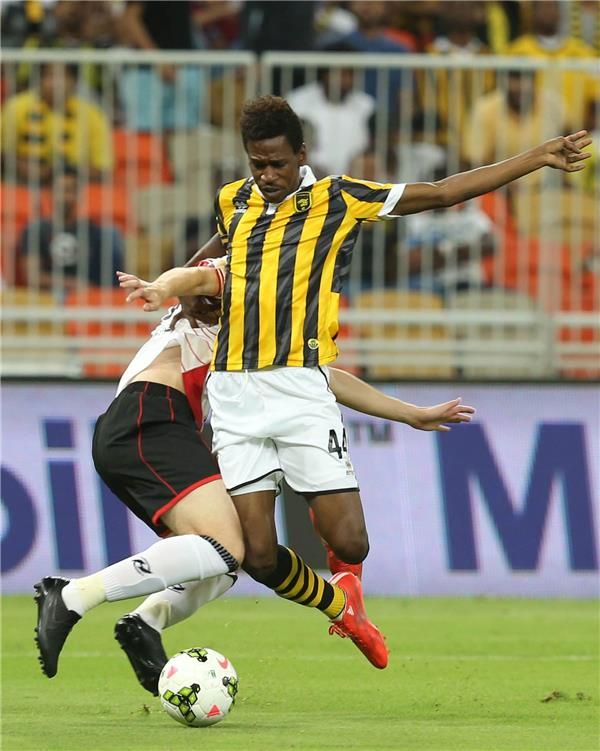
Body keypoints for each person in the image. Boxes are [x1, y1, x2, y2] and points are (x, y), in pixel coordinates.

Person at [128, 95, 591, 673]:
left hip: (302, 386)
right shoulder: (233, 200)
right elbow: (221, 248)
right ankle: (343, 612)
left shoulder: (339, 198)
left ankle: (349, 586)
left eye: (277, 163)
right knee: (258, 555)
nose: (266, 175)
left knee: (351, 542)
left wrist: (537, 157)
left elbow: (441, 193)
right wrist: (178, 289)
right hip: (233, 394)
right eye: (257, 164)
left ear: (302, 154)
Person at [35, 255, 475, 692]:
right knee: (228, 546)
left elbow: (320, 377)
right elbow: (199, 276)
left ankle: (145, 623)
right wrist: (164, 286)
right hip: (151, 418)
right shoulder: (238, 303)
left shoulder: (238, 331)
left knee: (229, 557)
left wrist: (410, 413)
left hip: (141, 428)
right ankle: (72, 596)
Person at [17, 164, 124, 294]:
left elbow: (108, 275)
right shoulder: (35, 230)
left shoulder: (93, 231)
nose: (67, 196)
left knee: (111, 233)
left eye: (71, 190)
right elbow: (33, 277)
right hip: (52, 294)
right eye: (62, 190)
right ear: (50, 193)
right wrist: (74, 284)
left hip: (89, 294)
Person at [0, 62, 113, 184]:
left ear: (75, 82)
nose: (56, 83)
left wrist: (67, 171)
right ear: (39, 79)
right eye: (50, 76)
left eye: (64, 77)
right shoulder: (16, 107)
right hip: (19, 184)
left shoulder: (92, 114)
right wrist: (27, 169)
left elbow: (103, 168)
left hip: (73, 186)